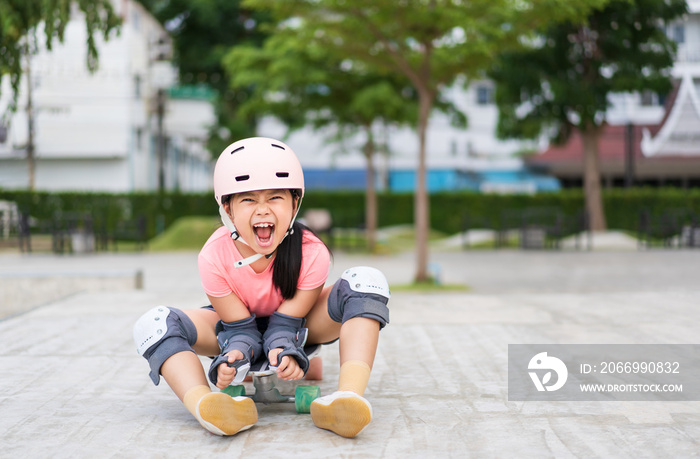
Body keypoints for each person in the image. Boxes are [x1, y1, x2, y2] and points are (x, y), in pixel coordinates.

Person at [133, 137, 390, 438]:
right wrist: (232, 359)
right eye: (248, 199)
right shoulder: (213, 255)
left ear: (295, 203)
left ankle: (348, 397)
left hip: (300, 326)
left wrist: (286, 352)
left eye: (275, 198)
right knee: (152, 324)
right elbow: (239, 329)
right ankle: (206, 406)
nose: (263, 210)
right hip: (235, 328)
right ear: (227, 209)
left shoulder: (311, 251)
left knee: (367, 279)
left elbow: (286, 323)